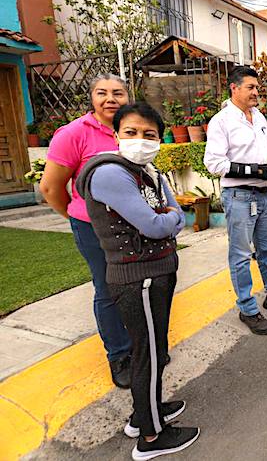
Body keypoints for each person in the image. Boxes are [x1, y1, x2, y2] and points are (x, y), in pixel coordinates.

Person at [75, 102, 199, 460]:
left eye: (150, 134)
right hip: (138, 278)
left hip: (155, 271)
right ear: (116, 135)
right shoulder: (111, 173)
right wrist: (170, 218)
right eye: (131, 132)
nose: (140, 140)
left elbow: (174, 211)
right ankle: (150, 438)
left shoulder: (148, 171)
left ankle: (144, 414)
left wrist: (170, 216)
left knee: (155, 349)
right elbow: (157, 223)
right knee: (146, 355)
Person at [39, 74, 133, 388]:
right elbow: (51, 187)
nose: (110, 99)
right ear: (91, 98)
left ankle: (140, 348)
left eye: (118, 93)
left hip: (134, 225)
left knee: (134, 287)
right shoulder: (74, 134)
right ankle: (119, 355)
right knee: (107, 290)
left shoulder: (132, 129)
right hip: (94, 229)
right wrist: (78, 213)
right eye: (102, 93)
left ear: (127, 97)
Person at [204, 66, 267, 335]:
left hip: (265, 194)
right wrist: (254, 171)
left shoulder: (258, 117)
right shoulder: (221, 121)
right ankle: (247, 308)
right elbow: (213, 162)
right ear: (234, 88)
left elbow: (266, 150)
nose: (257, 92)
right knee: (241, 255)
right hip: (239, 196)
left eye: (257, 87)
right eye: (251, 87)